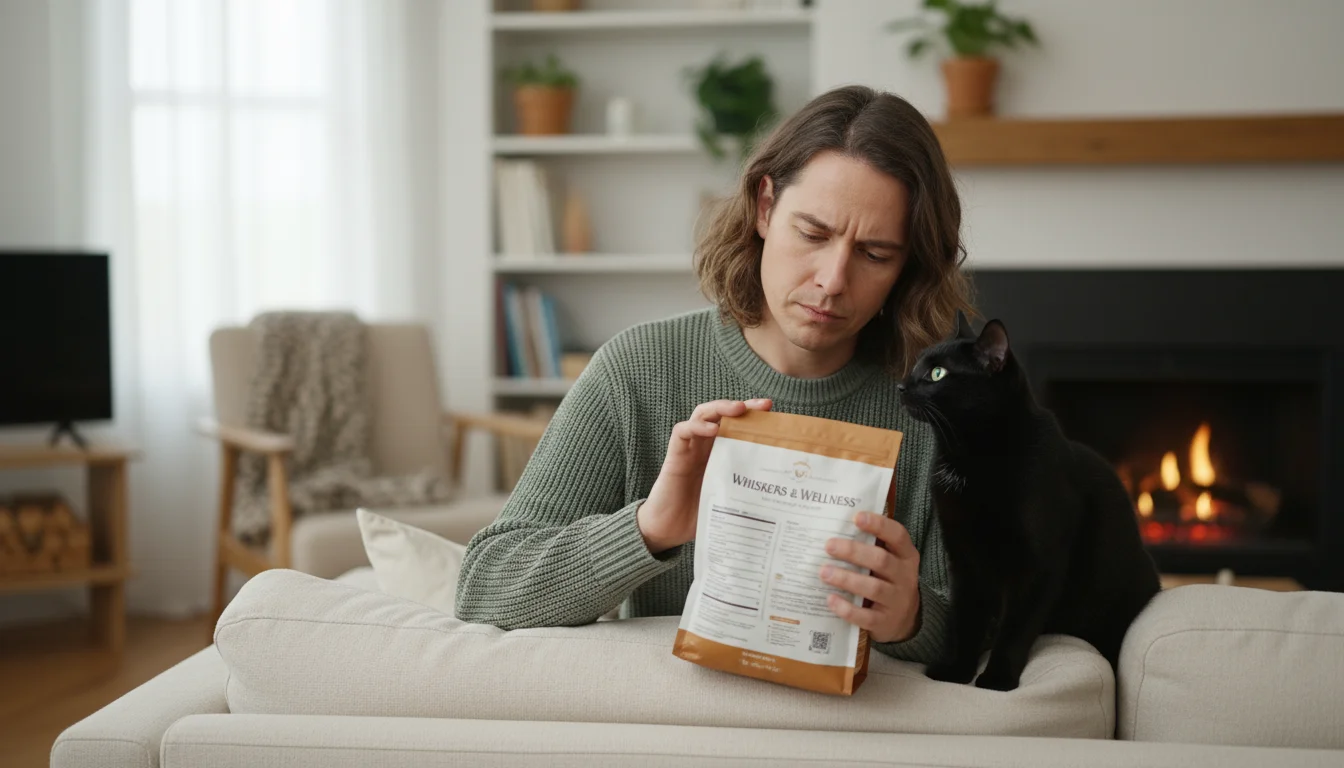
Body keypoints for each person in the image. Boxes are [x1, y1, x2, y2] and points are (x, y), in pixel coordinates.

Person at [456, 85, 972, 663]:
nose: (832, 279)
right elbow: (485, 588)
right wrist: (649, 529)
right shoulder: (638, 370)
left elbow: (988, 630)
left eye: (875, 254)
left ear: (910, 264)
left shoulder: (941, 412)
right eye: (813, 234)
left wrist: (913, 619)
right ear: (765, 207)